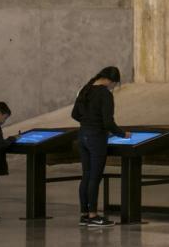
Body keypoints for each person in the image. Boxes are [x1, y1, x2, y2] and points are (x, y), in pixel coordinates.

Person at [71, 66, 130, 227]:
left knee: (86, 175)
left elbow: (74, 114)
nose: (113, 87)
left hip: (82, 136)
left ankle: (84, 214)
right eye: (115, 84)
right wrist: (122, 134)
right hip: (96, 138)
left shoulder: (86, 89)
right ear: (111, 81)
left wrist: (88, 122)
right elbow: (108, 122)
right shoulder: (105, 94)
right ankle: (93, 215)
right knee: (95, 177)